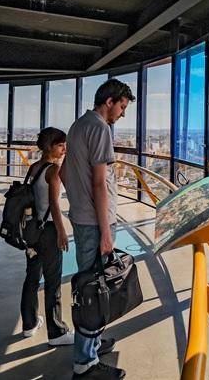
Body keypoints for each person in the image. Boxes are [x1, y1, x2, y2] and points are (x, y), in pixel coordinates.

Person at [62, 78, 134, 379]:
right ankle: (85, 364)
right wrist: (106, 231)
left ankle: (91, 345)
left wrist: (79, 202)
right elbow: (99, 184)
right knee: (93, 290)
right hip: (95, 222)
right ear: (110, 102)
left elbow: (65, 171)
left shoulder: (78, 126)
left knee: (88, 283)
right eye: (122, 107)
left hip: (82, 217)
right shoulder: (101, 129)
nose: (122, 114)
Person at [20, 127, 73, 346]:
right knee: (53, 281)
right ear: (50, 146)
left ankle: (29, 324)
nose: (64, 149)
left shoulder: (34, 167)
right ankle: (56, 332)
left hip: (32, 230)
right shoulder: (53, 171)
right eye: (61, 145)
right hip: (48, 231)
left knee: (32, 277)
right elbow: (54, 204)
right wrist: (62, 231)